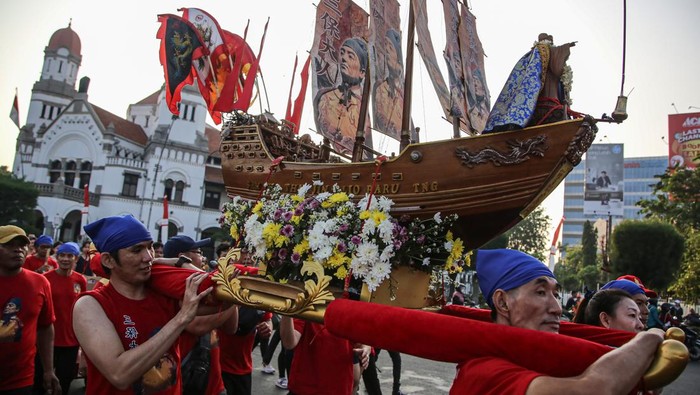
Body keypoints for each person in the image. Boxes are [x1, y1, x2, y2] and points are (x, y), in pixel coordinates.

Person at [451, 248, 665, 394]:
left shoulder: (539, 359)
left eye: (555, 294)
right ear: (503, 302)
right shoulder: (484, 372)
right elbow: (596, 389)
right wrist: (651, 337)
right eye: (541, 292)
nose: (556, 308)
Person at [72, 214, 214, 394]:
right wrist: (181, 319)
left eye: (150, 248)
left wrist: (182, 264)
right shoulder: (91, 304)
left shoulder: (163, 294)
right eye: (137, 250)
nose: (148, 257)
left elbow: (218, 301)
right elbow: (119, 374)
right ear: (108, 260)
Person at [0, 225, 61, 394]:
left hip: (21, 379)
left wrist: (48, 370)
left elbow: (45, 327)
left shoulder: (40, 283)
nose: (18, 250)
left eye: (22, 245)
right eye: (9, 245)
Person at [484, 33, 576, 133]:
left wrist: (565, 47)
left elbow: (556, 70)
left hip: (551, 103)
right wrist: (566, 47)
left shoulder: (540, 54)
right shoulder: (539, 53)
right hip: (542, 106)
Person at [279, 314, 371, 395]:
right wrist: (287, 312)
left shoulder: (350, 302)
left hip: (339, 389)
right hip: (306, 389)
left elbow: (363, 339)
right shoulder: (308, 301)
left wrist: (365, 349)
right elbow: (289, 343)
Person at [41, 242, 87, 395]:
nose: (65, 259)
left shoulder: (80, 280)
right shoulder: (45, 279)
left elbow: (82, 309)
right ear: (57, 256)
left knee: (64, 382)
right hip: (47, 340)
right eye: (62, 255)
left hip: (70, 341)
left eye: (70, 256)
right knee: (41, 382)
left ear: (76, 258)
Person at [315, 36, 371, 156]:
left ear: (362, 73)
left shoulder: (363, 110)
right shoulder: (324, 96)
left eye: (351, 56)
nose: (344, 58)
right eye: (342, 53)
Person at [373, 29, 404, 139]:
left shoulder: (402, 89)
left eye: (390, 47)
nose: (387, 51)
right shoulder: (380, 88)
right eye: (385, 46)